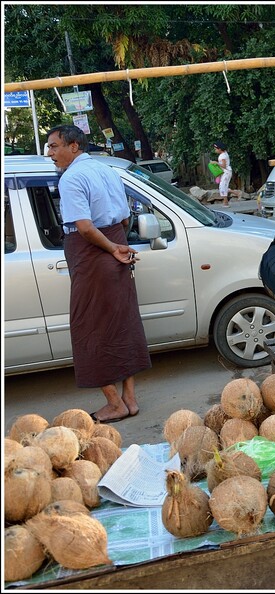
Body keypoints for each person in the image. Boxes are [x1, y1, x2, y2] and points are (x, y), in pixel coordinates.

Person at [46, 124, 151, 423]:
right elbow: (127, 215)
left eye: (54, 146)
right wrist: (118, 244)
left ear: (74, 146)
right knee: (122, 322)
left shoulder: (71, 178)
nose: (50, 154)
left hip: (94, 253)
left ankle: (115, 403)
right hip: (114, 245)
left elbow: (85, 228)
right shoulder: (107, 170)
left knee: (89, 327)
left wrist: (109, 248)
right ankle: (129, 399)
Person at [211, 141, 233, 206]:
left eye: (215, 149)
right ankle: (234, 194)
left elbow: (224, 166)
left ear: (219, 149)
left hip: (226, 172)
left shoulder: (222, 156)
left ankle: (226, 202)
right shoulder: (224, 154)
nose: (215, 150)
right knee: (224, 186)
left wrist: (216, 162)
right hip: (226, 172)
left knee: (223, 186)